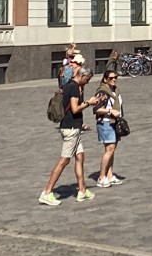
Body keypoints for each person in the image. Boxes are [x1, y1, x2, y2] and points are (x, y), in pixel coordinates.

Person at [39, 67, 95, 206]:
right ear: (82, 75)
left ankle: (82, 190)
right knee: (64, 161)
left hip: (73, 127)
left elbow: (71, 110)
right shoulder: (74, 88)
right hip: (70, 130)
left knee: (80, 156)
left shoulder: (69, 85)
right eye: (87, 80)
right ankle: (47, 192)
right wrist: (89, 103)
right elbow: (75, 108)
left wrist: (81, 124)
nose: (87, 83)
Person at [92, 69, 124, 188]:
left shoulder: (115, 91)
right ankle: (101, 177)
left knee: (112, 151)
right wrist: (111, 111)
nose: (114, 79)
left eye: (115, 77)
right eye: (111, 78)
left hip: (114, 123)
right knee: (109, 150)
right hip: (105, 123)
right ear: (105, 79)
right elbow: (96, 109)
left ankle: (109, 175)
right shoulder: (102, 92)